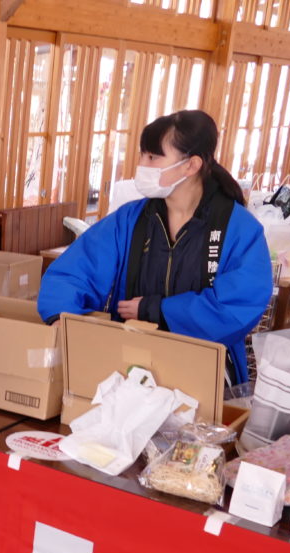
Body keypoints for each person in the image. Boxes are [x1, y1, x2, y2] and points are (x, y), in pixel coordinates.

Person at [37, 109, 272, 383]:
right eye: (142, 155)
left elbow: (239, 304)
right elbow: (76, 270)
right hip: (129, 363)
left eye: (152, 157)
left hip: (205, 366)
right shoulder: (131, 219)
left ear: (191, 165)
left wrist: (158, 310)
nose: (141, 164)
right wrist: (60, 315)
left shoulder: (238, 227)